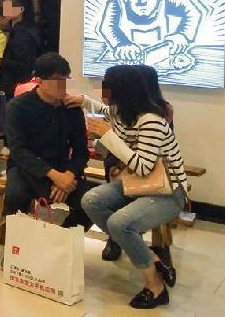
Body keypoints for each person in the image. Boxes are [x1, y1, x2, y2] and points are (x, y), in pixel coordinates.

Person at [81, 65, 187, 310]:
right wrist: (83, 101)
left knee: (120, 223)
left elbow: (143, 167)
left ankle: (156, 287)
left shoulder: (151, 119)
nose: (103, 91)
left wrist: (107, 136)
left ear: (123, 90)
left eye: (107, 86)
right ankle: (154, 258)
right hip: (137, 185)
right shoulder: (121, 112)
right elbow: (103, 111)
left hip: (168, 191)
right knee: (91, 200)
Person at [3, 53, 93, 227]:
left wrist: (67, 176)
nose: (62, 85)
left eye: (65, 79)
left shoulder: (71, 108)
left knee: (90, 202)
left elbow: (81, 152)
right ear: (39, 80)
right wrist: (55, 176)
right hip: (26, 167)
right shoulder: (18, 107)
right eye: (57, 80)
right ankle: (15, 241)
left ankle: (63, 237)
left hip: (62, 166)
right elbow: (18, 150)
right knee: (15, 197)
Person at [97, 0, 202, 63]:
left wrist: (183, 34)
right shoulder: (116, 4)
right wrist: (121, 43)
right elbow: (107, 27)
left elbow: (194, 11)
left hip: (164, 61)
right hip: (129, 64)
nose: (142, 1)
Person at [0, 0, 42, 99]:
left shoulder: (20, 34)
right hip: (24, 80)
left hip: (14, 81)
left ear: (21, 10)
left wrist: (2, 62)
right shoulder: (28, 31)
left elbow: (20, 60)